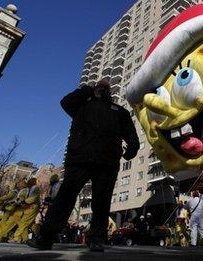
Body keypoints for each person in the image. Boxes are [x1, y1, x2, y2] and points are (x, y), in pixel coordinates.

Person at [28, 79, 139, 252]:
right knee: (65, 198)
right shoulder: (81, 105)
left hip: (107, 162)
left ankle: (96, 239)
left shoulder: (119, 111)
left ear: (110, 92)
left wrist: (133, 147)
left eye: (106, 88)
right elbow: (65, 102)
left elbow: (130, 133)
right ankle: (46, 237)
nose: (103, 89)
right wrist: (88, 89)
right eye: (100, 87)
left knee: (102, 202)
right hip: (79, 159)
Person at [12, 178, 41, 243]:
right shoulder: (30, 189)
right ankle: (26, 238)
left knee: (24, 222)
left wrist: (25, 201)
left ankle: (17, 237)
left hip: (32, 207)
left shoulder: (35, 188)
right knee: (27, 223)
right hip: (28, 207)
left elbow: (34, 197)